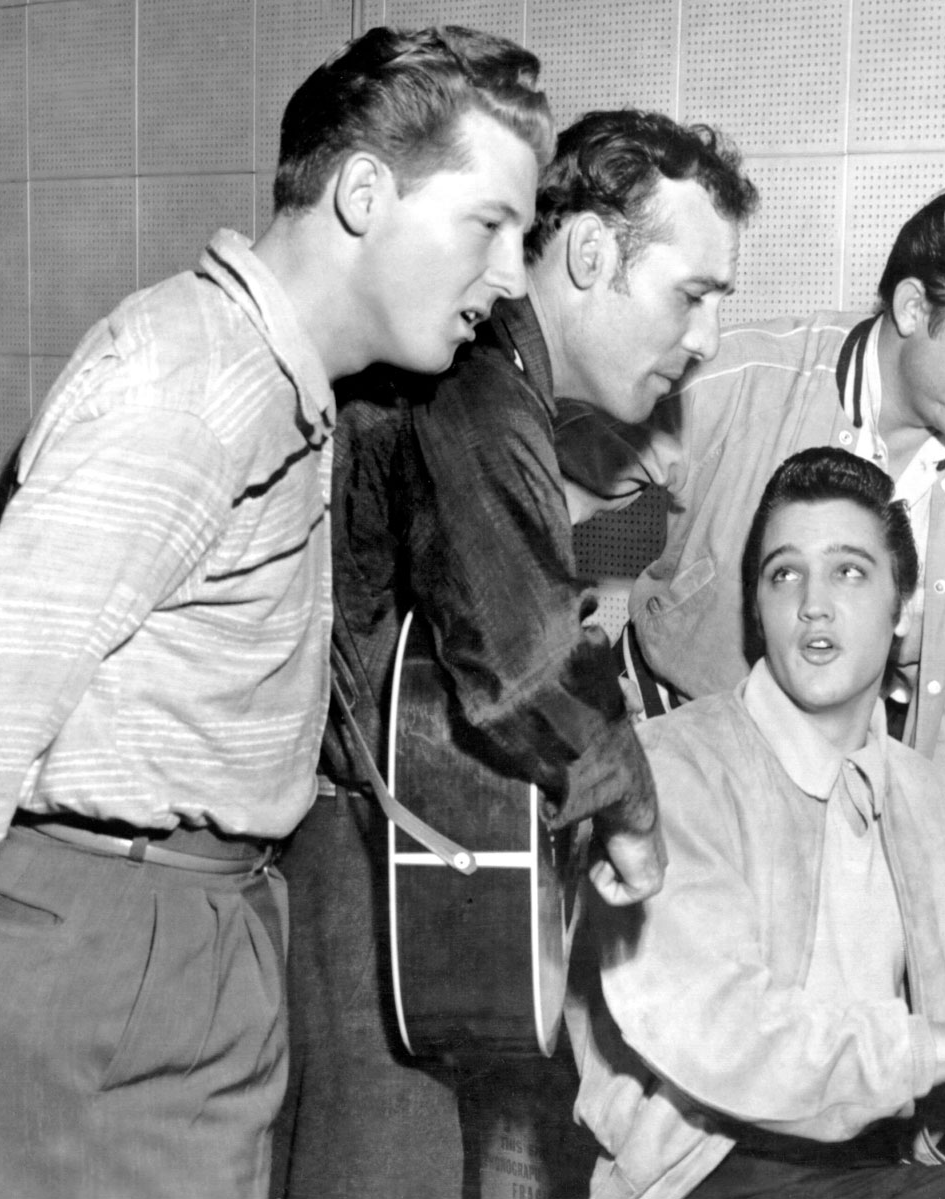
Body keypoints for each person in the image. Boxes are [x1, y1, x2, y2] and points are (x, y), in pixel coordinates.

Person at [0, 26, 551, 1199]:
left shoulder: (270, 383)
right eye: (488, 224)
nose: (510, 276)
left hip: (188, 918)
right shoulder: (197, 382)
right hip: (118, 938)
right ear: (363, 195)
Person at [275, 109, 759, 1199]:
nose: (707, 339)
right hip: (354, 851)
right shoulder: (476, 382)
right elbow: (524, 664)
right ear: (587, 253)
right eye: (692, 294)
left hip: (382, 836)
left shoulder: (498, 384)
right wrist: (635, 814)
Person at [568, 447, 945, 1199]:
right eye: (784, 574)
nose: (813, 603)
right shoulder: (669, 771)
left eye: (849, 571)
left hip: (879, 1158)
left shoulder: (920, 795)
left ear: (903, 611)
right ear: (757, 608)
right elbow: (727, 1033)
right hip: (710, 1170)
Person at [557, 183, 945, 931]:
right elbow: (521, 503)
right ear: (914, 308)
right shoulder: (735, 382)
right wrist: (574, 717)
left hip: (846, 816)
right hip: (664, 763)